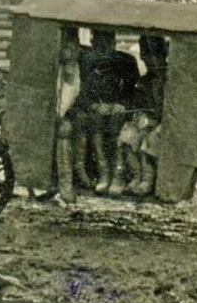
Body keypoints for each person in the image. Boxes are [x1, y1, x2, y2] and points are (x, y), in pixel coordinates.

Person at [75, 30, 139, 194]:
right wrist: (95, 105)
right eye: (99, 43)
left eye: (107, 43)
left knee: (116, 123)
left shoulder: (125, 62)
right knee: (94, 121)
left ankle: (117, 175)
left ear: (114, 43)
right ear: (93, 42)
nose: (103, 49)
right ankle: (104, 174)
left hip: (120, 111)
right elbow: (80, 92)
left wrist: (122, 104)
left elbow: (133, 91)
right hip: (97, 110)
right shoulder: (87, 62)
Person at [109, 33, 168, 197]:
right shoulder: (144, 81)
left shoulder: (170, 79)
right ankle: (134, 177)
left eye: (154, 55)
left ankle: (147, 180)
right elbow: (137, 104)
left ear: (163, 55)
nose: (149, 61)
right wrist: (139, 116)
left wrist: (152, 120)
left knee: (150, 139)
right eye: (146, 55)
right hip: (145, 122)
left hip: (164, 123)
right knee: (128, 135)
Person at [55, 28, 82, 203]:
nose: (69, 53)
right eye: (66, 48)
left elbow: (67, 99)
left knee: (68, 127)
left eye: (73, 49)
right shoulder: (56, 68)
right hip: (49, 115)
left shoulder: (73, 74)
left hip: (62, 114)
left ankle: (70, 182)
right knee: (64, 128)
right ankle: (64, 184)